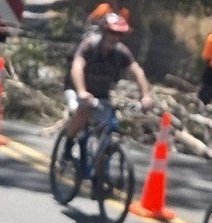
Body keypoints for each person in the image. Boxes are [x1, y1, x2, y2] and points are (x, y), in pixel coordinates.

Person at [64, 9, 154, 145]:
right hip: (75, 89)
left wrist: (146, 96)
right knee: (83, 111)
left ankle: (99, 155)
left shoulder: (121, 52)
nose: (114, 37)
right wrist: (82, 91)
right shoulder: (90, 45)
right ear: (103, 32)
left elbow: (137, 71)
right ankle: (68, 145)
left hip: (101, 95)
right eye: (111, 32)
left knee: (106, 133)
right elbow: (77, 67)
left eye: (119, 34)